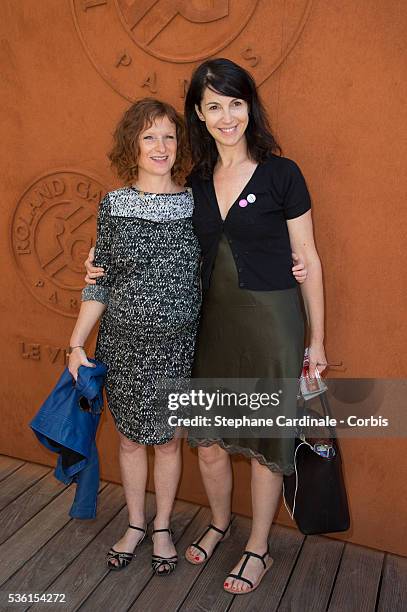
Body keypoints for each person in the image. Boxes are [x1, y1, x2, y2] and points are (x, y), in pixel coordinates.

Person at [180, 58, 327, 595]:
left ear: (249, 107)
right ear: (199, 112)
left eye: (235, 103)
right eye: (214, 105)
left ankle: (258, 546)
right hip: (210, 325)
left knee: (267, 443)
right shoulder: (192, 181)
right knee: (211, 442)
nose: (226, 116)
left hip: (272, 325)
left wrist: (316, 342)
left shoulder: (282, 173)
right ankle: (221, 523)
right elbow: (159, 246)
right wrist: (101, 262)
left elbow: (308, 257)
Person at [68, 98, 202, 575]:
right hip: (123, 343)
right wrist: (76, 344)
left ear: (180, 145)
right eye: (149, 137)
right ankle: (136, 523)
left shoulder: (195, 203)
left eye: (169, 136)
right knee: (128, 440)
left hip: (178, 347)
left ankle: (163, 526)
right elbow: (99, 279)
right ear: (133, 145)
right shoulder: (114, 205)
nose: (160, 146)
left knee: (167, 441)